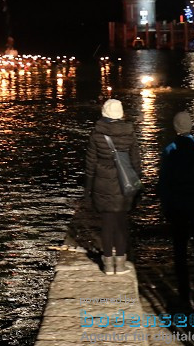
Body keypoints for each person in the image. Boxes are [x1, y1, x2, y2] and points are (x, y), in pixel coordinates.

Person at [84, 98, 141, 276]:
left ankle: (108, 264)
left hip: (103, 183)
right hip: (124, 184)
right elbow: (135, 162)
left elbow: (90, 163)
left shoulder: (96, 134)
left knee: (107, 224)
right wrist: (137, 182)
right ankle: (121, 263)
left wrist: (89, 187)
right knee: (122, 223)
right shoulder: (130, 134)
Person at [157, 110, 194, 310]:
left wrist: (165, 204)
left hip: (177, 206)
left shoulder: (170, 149)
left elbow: (165, 180)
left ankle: (183, 293)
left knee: (180, 251)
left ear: (175, 127)